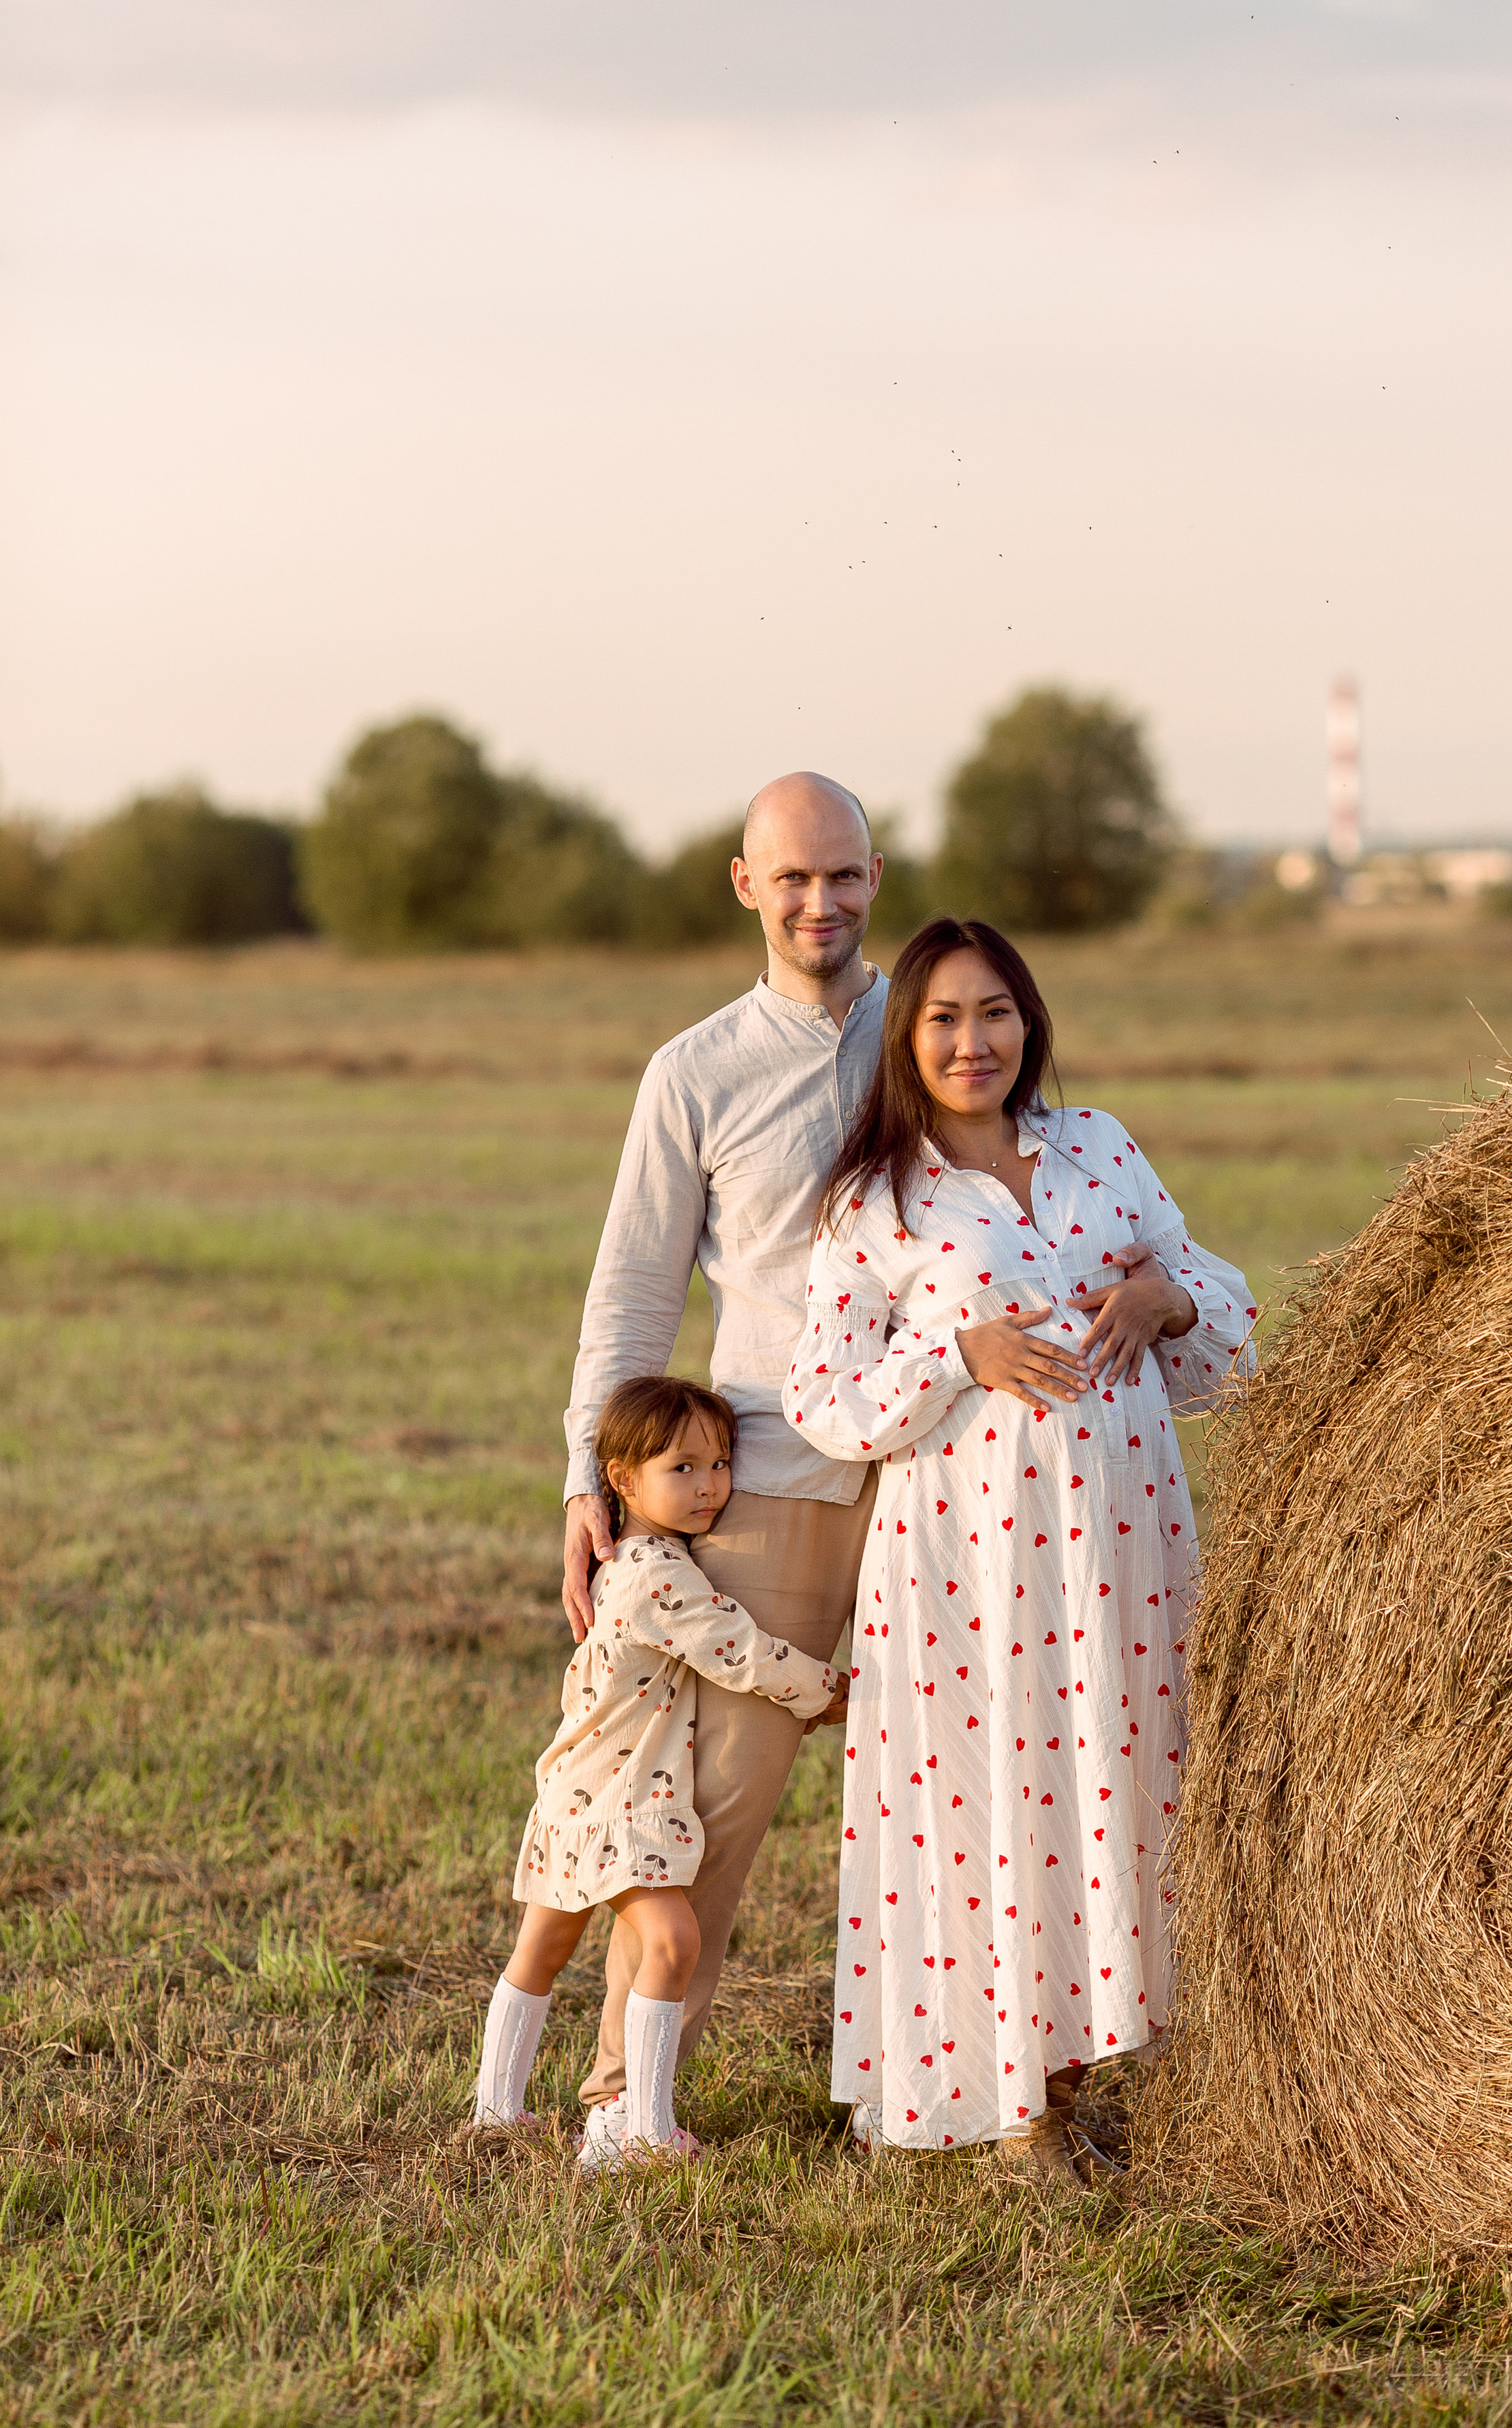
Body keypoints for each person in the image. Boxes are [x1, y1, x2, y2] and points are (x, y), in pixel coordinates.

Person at [557, 774, 1180, 2170]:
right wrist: (584, 1481)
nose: (818, 903)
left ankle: (1015, 2069)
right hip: (769, 1479)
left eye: (840, 877)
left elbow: (1073, 1201)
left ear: (873, 877)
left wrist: (1157, 1281)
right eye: (790, 881)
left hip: (963, 1497)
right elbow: (630, 1295)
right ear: (744, 888)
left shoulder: (935, 1020)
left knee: (990, 1783)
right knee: (708, 1805)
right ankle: (623, 2100)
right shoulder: (696, 1073)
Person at [783, 915, 1257, 2187]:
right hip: (967, 1561)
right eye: (942, 1017)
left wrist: (1169, 1296)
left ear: (1028, 1022)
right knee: (993, 1801)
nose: (972, 1040)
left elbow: (1229, 1333)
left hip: (1123, 1542)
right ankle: (1014, 2110)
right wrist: (959, 1352)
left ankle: (1107, 2066)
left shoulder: (1097, 1145)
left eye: (995, 1012)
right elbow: (825, 1399)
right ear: (906, 1036)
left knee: (1119, 1784)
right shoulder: (874, 1198)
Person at [473, 1374, 838, 2158]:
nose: (709, 1486)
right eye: (682, 1468)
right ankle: (640, 2128)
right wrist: (830, 1690)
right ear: (622, 1479)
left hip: (575, 1784)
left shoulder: (642, 1559)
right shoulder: (655, 1574)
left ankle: (497, 2109)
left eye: (720, 1464)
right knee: (671, 1943)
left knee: (544, 1946)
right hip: (621, 1797)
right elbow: (736, 1649)